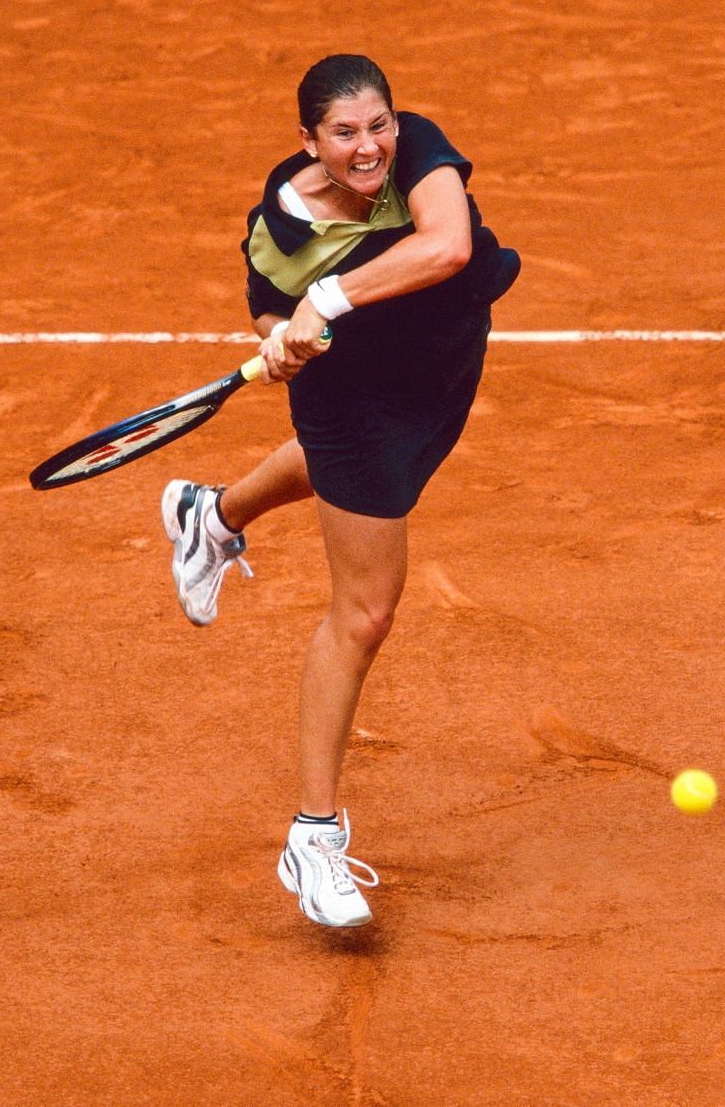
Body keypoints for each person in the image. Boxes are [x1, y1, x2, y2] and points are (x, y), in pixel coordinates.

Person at [160, 55, 520, 928]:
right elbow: (265, 309)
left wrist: (324, 298)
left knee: (376, 486)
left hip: (440, 373)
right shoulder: (277, 229)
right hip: (354, 400)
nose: (369, 148)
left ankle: (212, 513)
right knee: (366, 611)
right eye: (346, 134)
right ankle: (312, 837)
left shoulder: (417, 149)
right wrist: (282, 336)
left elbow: (448, 245)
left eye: (378, 125)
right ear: (310, 143)